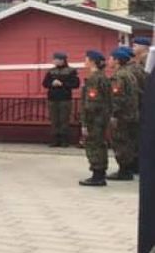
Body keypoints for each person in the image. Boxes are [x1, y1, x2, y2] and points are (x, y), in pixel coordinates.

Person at [108, 46, 140, 180]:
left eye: (111, 58)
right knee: (130, 141)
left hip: (122, 115)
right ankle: (130, 168)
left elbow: (117, 97)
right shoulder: (129, 73)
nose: (109, 61)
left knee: (121, 142)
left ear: (117, 60)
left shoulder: (119, 75)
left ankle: (124, 171)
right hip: (132, 113)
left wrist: (113, 114)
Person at [80, 50, 111, 187]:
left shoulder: (95, 78)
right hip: (101, 117)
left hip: (95, 119)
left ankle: (97, 175)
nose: (85, 61)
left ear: (92, 61)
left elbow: (91, 103)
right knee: (100, 144)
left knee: (94, 145)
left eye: (86, 58)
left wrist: (85, 123)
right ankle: (100, 174)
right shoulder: (102, 77)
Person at [43, 52, 80, 147]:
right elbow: (45, 83)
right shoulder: (50, 71)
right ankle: (55, 140)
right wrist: (52, 83)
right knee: (54, 120)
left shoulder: (71, 71)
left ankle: (64, 140)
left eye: (56, 59)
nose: (54, 61)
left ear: (62, 60)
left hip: (65, 99)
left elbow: (76, 84)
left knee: (64, 120)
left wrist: (62, 84)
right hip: (52, 98)